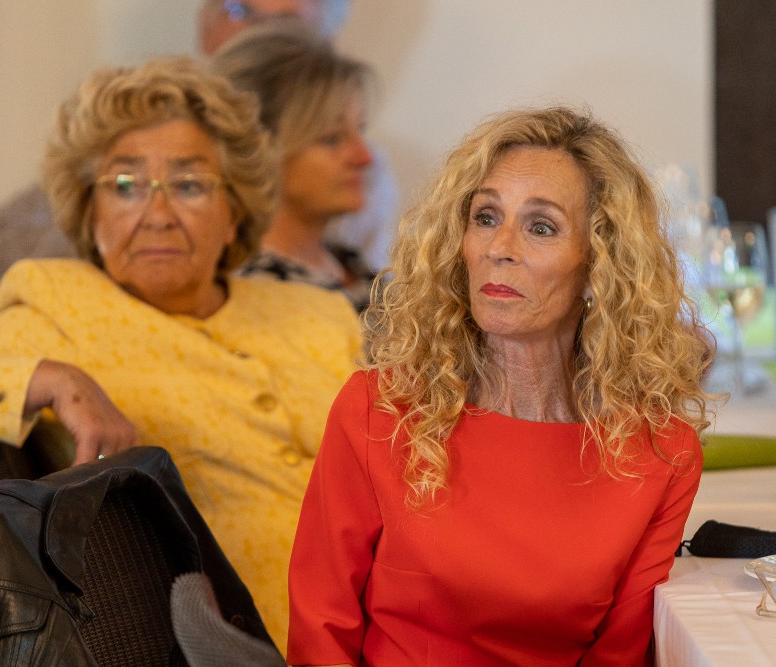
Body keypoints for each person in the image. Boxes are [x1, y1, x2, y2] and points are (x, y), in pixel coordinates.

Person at [0, 56, 362, 653]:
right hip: (232, 644)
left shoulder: (317, 311)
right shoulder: (60, 305)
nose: (158, 215)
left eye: (189, 185)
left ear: (234, 213)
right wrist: (45, 378)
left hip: (384, 620)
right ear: (89, 215)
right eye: (124, 186)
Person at [287, 106, 711, 665]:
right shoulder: (380, 411)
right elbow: (319, 633)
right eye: (486, 217)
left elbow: (618, 657)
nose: (499, 247)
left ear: (599, 267)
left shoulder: (659, 455)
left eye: (541, 227)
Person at [0, 0, 396, 329]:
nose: (159, 215)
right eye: (239, 10)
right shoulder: (118, 133)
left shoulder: (362, 224)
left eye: (190, 186)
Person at [213, 19, 378, 312]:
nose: (364, 157)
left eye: (360, 130)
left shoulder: (349, 264)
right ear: (260, 150)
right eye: (332, 139)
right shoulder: (254, 293)